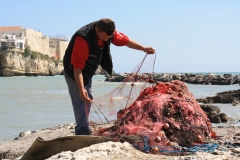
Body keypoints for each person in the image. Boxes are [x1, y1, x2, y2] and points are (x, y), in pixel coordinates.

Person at [63, 18, 155, 135]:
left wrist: (143, 48)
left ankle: (84, 124)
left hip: (88, 70)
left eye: (108, 38)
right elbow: (77, 67)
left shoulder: (109, 33)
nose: (105, 41)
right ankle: (82, 131)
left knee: (88, 97)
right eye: (103, 38)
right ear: (97, 29)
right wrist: (81, 89)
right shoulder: (83, 39)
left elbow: (125, 41)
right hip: (74, 71)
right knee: (80, 99)